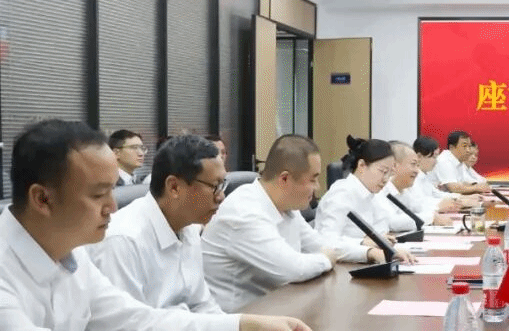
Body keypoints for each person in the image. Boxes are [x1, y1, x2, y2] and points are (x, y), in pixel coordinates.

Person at [0, 120, 316, 331]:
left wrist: (248, 326)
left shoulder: (70, 253)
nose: (113, 206)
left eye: (112, 191)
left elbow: (139, 322)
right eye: (98, 195)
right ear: (43, 199)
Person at [202, 135, 374, 312]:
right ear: (284, 179)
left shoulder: (286, 207)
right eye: (313, 179)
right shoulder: (244, 211)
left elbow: (322, 245)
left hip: (277, 309)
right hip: (239, 320)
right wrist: (325, 259)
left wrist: (369, 253)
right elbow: (293, 269)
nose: (317, 187)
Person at [88, 135, 226, 315]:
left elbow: (202, 304)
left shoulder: (188, 228)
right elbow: (128, 328)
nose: (221, 197)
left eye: (223, 185)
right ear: (174, 187)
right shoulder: (124, 240)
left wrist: (237, 328)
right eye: (215, 186)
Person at [313, 136, 416, 262]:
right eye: (383, 171)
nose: (385, 179)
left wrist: (385, 245)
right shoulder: (341, 194)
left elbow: (381, 230)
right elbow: (327, 243)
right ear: (362, 165)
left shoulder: (373, 194)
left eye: (389, 174)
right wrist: (367, 249)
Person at [380, 141, 456, 230]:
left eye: (417, 165)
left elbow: (419, 207)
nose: (417, 170)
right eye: (413, 164)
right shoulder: (382, 190)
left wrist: (435, 213)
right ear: (394, 166)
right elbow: (392, 223)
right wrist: (431, 217)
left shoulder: (404, 190)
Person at [410, 136, 480, 211]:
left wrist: (462, 198)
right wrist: (459, 201)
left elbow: (436, 194)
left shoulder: (424, 175)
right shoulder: (412, 177)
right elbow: (420, 204)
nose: (436, 161)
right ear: (419, 156)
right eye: (433, 157)